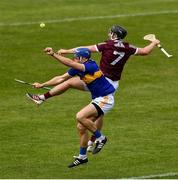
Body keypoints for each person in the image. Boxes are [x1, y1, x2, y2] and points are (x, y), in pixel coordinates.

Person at [28, 25, 160, 151]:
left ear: (114, 34)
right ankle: (93, 140)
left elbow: (85, 49)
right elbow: (145, 51)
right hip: (114, 83)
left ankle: (42, 98)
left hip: (101, 79)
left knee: (71, 83)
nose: (109, 33)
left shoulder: (107, 45)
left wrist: (66, 51)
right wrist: (154, 42)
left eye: (110, 32)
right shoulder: (128, 47)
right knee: (97, 109)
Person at [26, 48, 116, 168]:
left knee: (80, 116)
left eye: (76, 57)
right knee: (81, 127)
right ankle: (82, 157)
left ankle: (101, 138)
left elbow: (69, 63)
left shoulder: (90, 65)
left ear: (82, 58)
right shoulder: (77, 68)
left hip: (105, 99)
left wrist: (53, 54)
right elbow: (61, 78)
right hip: (98, 99)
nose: (74, 58)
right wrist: (42, 84)